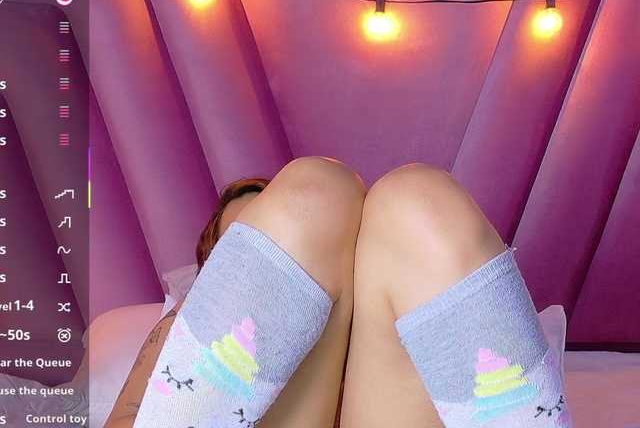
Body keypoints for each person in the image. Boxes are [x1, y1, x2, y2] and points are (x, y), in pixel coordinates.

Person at [106, 157, 573, 428]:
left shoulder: (381, 333)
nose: (263, 294)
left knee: (418, 200)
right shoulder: (176, 331)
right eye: (240, 262)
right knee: (315, 191)